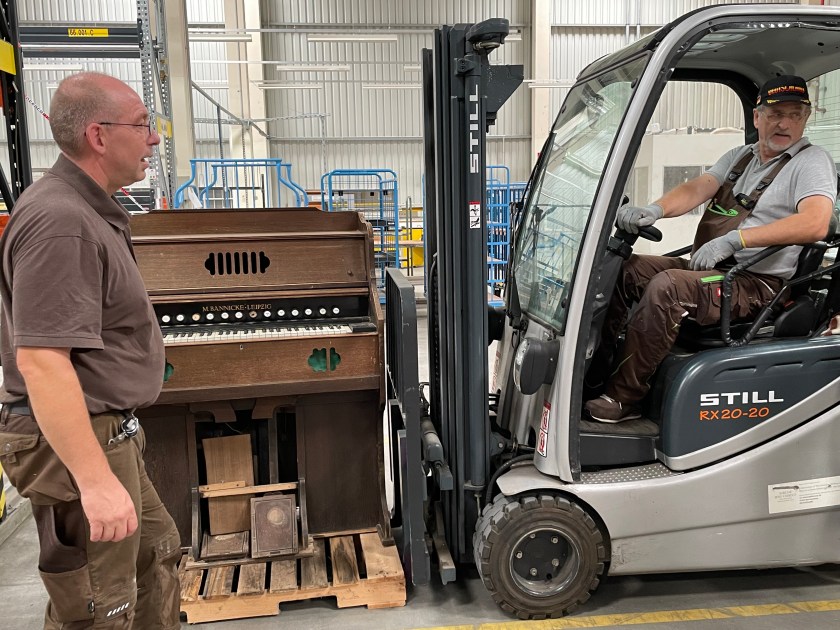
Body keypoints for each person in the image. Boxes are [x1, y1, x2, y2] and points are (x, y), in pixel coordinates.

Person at [0, 73, 180, 629]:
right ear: (99, 136)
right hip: (79, 439)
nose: (154, 138)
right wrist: (96, 482)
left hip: (108, 430)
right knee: (102, 604)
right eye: (143, 125)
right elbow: (42, 361)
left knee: (156, 553)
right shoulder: (62, 221)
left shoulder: (85, 208)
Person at [585, 74, 837, 423]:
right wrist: (654, 210)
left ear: (805, 118)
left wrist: (737, 239)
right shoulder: (742, 157)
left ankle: (624, 398)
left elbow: (816, 222)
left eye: (795, 115)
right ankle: (593, 376)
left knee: (670, 286)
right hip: (715, 271)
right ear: (757, 117)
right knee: (623, 268)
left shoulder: (811, 162)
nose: (785, 124)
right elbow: (698, 188)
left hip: (756, 284)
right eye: (776, 113)